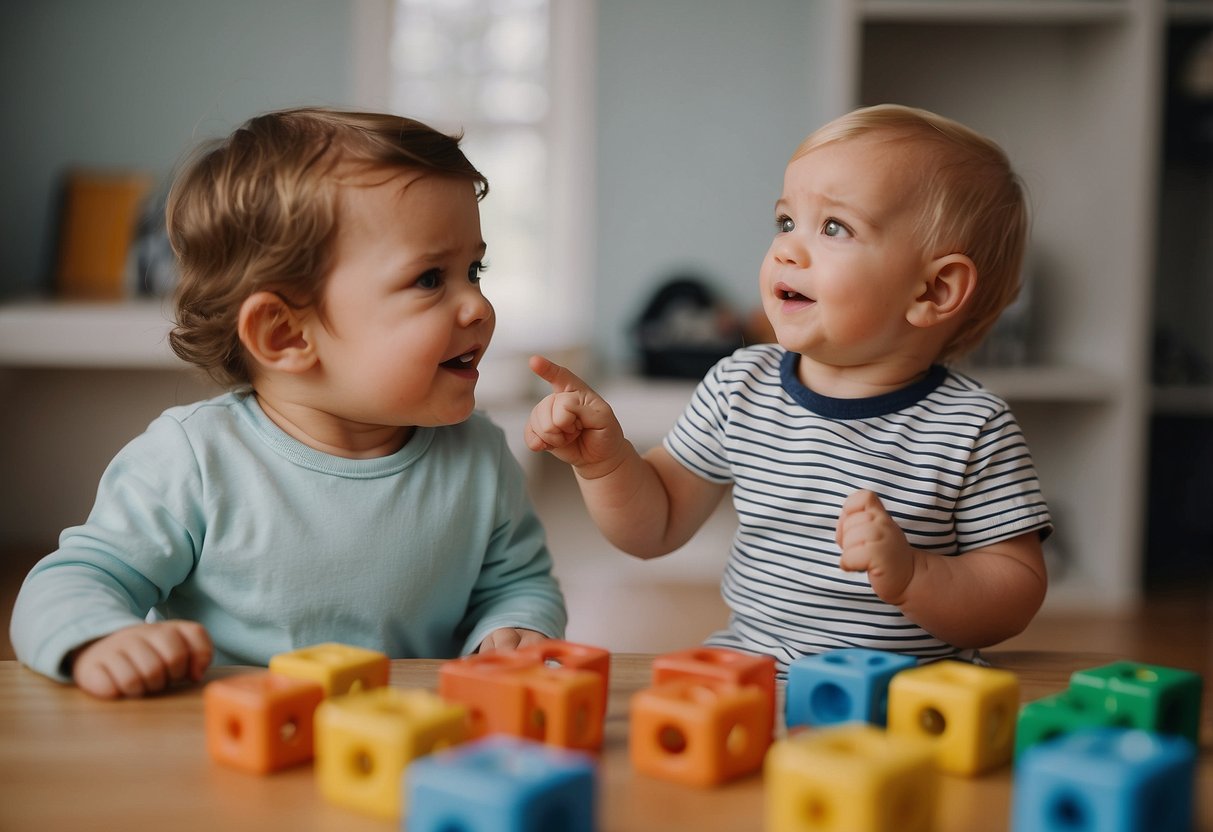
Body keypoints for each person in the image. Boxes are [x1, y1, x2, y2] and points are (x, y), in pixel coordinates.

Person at [10, 108, 567, 699]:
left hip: (403, 744)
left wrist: (513, 629)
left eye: (474, 270)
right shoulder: (193, 463)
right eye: (430, 278)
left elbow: (518, 581)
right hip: (233, 745)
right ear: (286, 335)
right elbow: (73, 580)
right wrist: (101, 639)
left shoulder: (479, 455)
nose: (477, 305)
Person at [526, 104, 1051, 672]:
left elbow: (1015, 590)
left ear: (934, 290)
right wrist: (604, 462)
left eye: (833, 228)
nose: (786, 249)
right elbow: (655, 526)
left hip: (907, 693)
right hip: (757, 670)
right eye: (785, 222)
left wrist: (916, 574)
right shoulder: (740, 386)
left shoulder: (972, 426)